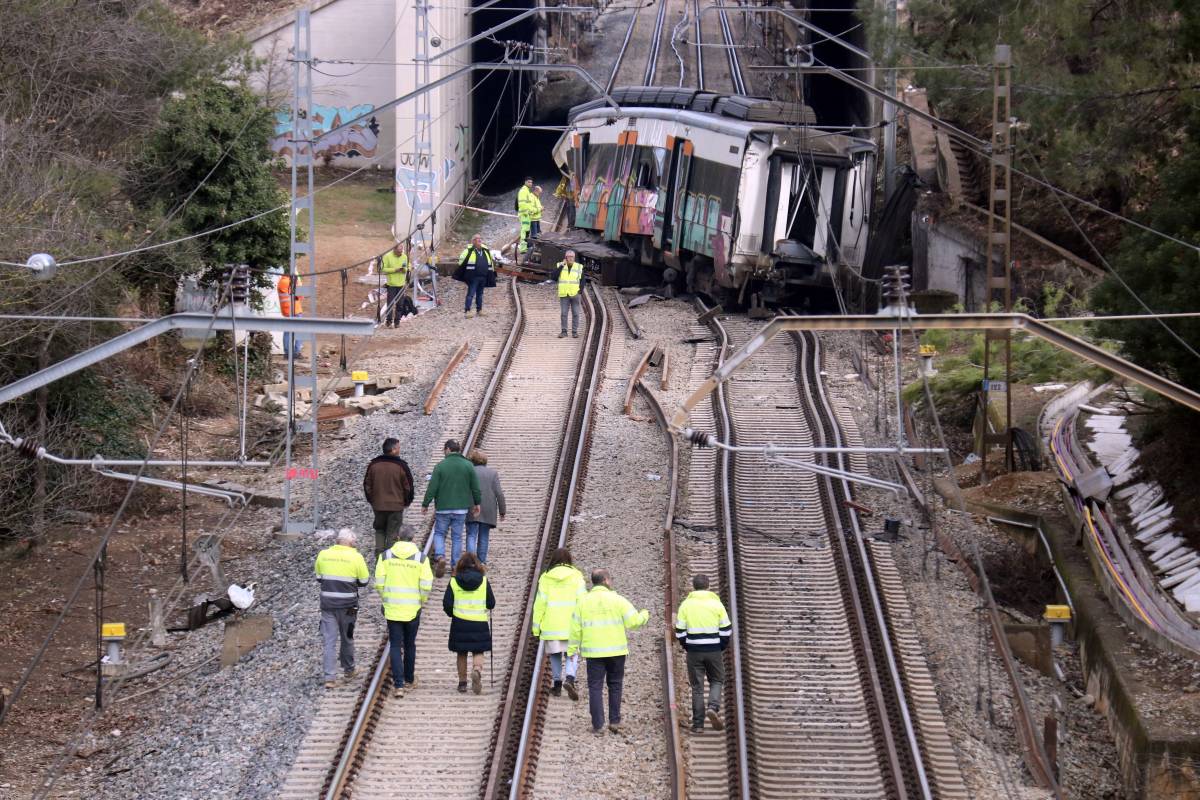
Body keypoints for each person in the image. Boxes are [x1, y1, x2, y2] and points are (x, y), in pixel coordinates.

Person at [568, 569, 649, 734]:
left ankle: (598, 724)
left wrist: (572, 649)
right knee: (615, 685)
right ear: (605, 580)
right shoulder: (617, 599)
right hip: (616, 651)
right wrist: (644, 615)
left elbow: (575, 629)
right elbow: (633, 622)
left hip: (594, 653)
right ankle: (614, 721)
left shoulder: (583, 602)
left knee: (595, 687)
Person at [375, 525, 434, 698]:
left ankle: (398, 685)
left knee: (395, 645)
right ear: (413, 538)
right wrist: (420, 601)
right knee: (410, 644)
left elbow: (379, 582)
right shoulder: (421, 559)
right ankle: (409, 679)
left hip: (392, 608)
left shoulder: (385, 556)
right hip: (412, 609)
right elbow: (426, 585)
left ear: (398, 537)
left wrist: (386, 597)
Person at [674, 574, 732, 732]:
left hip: (694, 651)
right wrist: (720, 645)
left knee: (697, 687)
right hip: (713, 649)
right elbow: (726, 629)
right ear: (708, 586)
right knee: (717, 680)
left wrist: (687, 645)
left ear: (694, 587)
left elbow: (679, 630)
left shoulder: (686, 605)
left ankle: (698, 725)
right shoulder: (716, 604)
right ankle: (713, 706)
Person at [314, 529, 370, 689]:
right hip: (349, 607)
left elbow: (319, 578)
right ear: (351, 543)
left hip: (328, 605)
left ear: (338, 541)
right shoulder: (356, 557)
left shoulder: (323, 554)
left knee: (329, 641)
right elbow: (364, 581)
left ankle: (330, 677)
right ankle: (349, 670)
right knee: (347, 637)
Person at [422, 439, 481, 578]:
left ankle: (440, 556)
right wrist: (477, 503)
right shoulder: (468, 465)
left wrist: (426, 504)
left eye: (444, 449)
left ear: (448, 449)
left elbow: (432, 488)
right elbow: (475, 487)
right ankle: (455, 567)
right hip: (461, 509)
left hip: (443, 508)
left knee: (439, 533)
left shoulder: (440, 466)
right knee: (457, 537)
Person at [532, 548, 586, 699]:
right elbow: (583, 601)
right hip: (571, 624)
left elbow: (540, 604)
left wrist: (536, 628)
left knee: (555, 654)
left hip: (551, 624)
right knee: (572, 653)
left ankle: (556, 685)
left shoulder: (546, 577)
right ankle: (569, 678)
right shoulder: (577, 576)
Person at [442, 552, 496, 694]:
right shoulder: (483, 581)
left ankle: (462, 683)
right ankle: (477, 670)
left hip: (460, 622)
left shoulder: (454, 581)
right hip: (479, 622)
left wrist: (452, 614)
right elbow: (491, 603)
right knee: (478, 650)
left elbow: (447, 603)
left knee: (461, 652)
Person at [363, 437, 415, 560]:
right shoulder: (401, 466)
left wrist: (372, 500)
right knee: (393, 534)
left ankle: (379, 559)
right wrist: (406, 502)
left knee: (380, 530)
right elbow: (408, 487)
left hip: (378, 506)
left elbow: (366, 485)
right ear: (393, 450)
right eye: (398, 447)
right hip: (396, 507)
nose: (399, 450)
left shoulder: (373, 465)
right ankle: (389, 560)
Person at [466, 449, 505, 564]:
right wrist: (502, 510)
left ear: (472, 460)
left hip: (472, 507)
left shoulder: (469, 472)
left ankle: (470, 562)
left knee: (471, 535)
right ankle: (481, 562)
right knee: (484, 536)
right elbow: (499, 492)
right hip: (488, 509)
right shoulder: (492, 473)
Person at [457, 234, 494, 318]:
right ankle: (467, 311)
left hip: (483, 276)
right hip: (473, 277)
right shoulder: (468, 250)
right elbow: (461, 261)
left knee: (480, 294)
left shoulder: (485, 250)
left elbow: (490, 262)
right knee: (471, 294)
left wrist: (491, 273)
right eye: (477, 239)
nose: (480, 240)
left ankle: (479, 310)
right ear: (473, 241)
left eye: (480, 239)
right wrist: (466, 273)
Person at [554, 250, 584, 339]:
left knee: (576, 313)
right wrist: (561, 266)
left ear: (574, 258)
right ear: (565, 257)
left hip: (575, 295)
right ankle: (564, 332)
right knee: (564, 313)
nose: (570, 258)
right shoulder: (560, 265)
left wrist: (580, 291)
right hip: (564, 294)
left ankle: (574, 332)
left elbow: (583, 280)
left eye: (572, 257)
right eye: (569, 257)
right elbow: (554, 277)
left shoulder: (578, 267)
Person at [381, 242, 410, 327]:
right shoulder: (387, 256)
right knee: (390, 303)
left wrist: (405, 269)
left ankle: (397, 321)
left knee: (400, 304)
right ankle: (389, 320)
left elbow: (407, 266)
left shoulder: (404, 256)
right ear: (394, 250)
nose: (400, 253)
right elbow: (383, 269)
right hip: (391, 284)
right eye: (398, 251)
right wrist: (395, 270)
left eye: (401, 251)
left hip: (401, 283)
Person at [277, 271, 303, 358]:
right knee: (299, 331)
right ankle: (296, 352)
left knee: (287, 332)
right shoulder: (289, 281)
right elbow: (300, 295)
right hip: (294, 309)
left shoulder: (282, 281)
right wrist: (298, 281)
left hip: (287, 310)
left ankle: (287, 353)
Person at [517, 177, 535, 254]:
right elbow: (522, 204)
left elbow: (528, 204)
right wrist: (527, 212)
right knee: (524, 232)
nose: (530, 184)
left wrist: (531, 211)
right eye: (529, 182)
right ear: (525, 182)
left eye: (531, 182)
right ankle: (523, 249)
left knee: (526, 232)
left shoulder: (527, 191)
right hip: (524, 215)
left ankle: (525, 247)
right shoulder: (523, 191)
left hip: (527, 215)